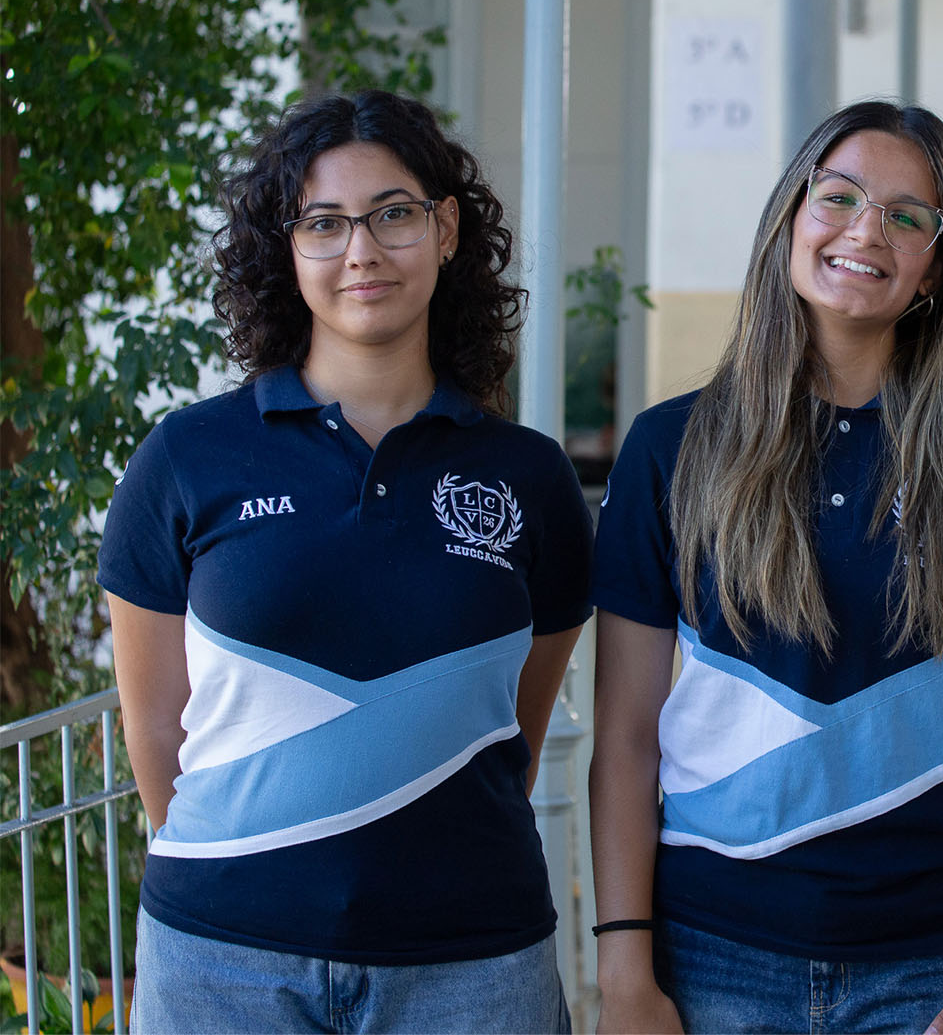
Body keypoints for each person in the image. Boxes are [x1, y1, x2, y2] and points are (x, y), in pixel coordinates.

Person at [98, 90, 591, 1033]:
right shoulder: (188, 459)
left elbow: (512, 734)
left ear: (447, 230)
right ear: (287, 249)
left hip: (473, 969)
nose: (361, 250)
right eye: (323, 223)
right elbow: (157, 735)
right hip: (221, 967)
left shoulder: (528, 476)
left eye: (392, 214)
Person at [588, 100, 943, 1034]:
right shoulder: (672, 445)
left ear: (937, 266)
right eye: (839, 196)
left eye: (907, 216)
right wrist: (623, 967)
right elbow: (625, 734)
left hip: (936, 956)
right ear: (790, 218)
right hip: (711, 950)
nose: (866, 231)